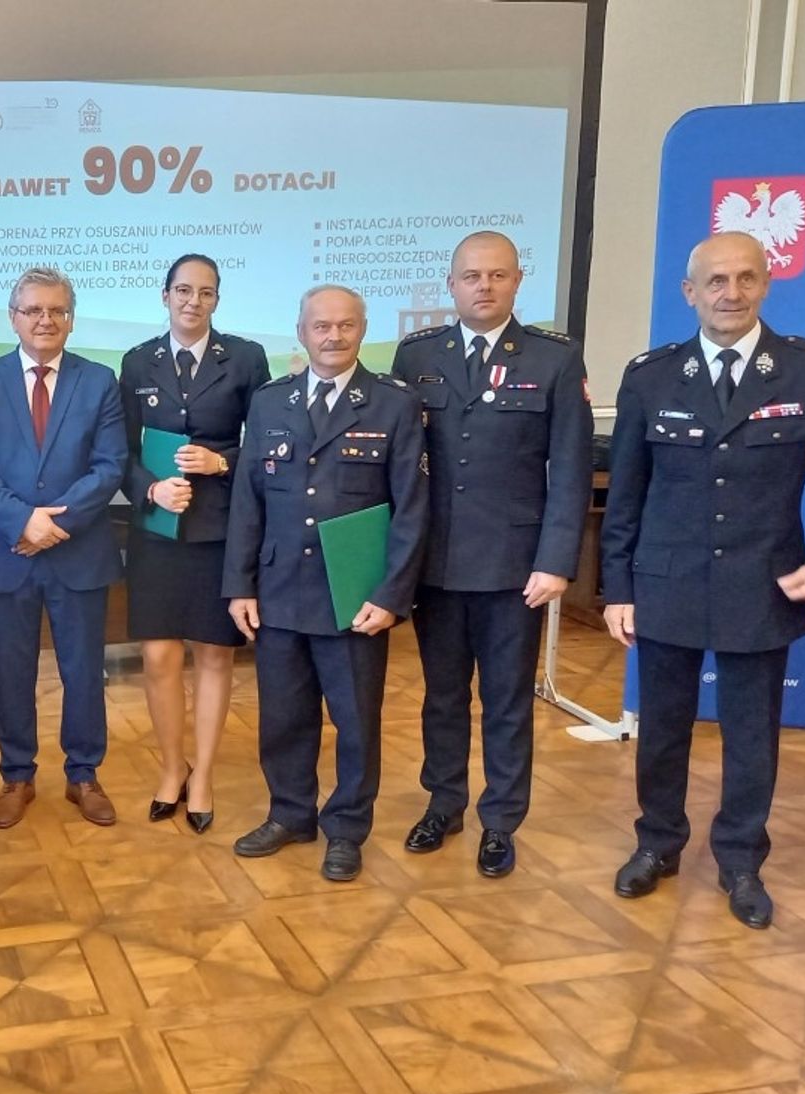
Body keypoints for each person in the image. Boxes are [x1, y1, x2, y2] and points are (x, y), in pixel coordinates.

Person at [601, 230, 805, 930]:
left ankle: (741, 860)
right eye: (716, 281)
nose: (731, 293)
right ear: (690, 292)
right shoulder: (651, 376)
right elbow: (625, 495)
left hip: (759, 584)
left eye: (746, 278)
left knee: (750, 735)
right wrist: (617, 588)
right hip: (666, 582)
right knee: (662, 730)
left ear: (766, 284)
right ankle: (657, 844)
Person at [390, 231, 593, 878]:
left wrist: (556, 559)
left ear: (517, 281)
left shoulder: (554, 357)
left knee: (506, 701)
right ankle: (443, 802)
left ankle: (501, 820)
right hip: (437, 562)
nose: (484, 286)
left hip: (515, 566)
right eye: (472, 276)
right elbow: (399, 463)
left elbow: (570, 468)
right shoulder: (418, 354)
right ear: (451, 285)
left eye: (497, 275)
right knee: (442, 696)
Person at [223, 285, 427, 882]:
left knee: (356, 720)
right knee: (283, 716)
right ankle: (290, 814)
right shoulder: (270, 402)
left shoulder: (392, 404)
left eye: (345, 325)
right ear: (302, 332)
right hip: (280, 588)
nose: (333, 336)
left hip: (354, 594)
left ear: (362, 329)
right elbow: (248, 502)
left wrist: (390, 595)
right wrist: (240, 585)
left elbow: (412, 509)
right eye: (321, 326)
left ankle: (346, 829)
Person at [0, 266, 127, 829]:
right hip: (8, 554)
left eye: (57, 311)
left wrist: (55, 524)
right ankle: (16, 775)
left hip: (79, 554)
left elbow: (109, 466)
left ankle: (84, 774)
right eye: (33, 310)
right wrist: (22, 522)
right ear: (13, 319)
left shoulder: (99, 381)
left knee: (84, 671)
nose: (45, 320)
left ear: (71, 320)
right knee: (11, 672)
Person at [119, 254, 269, 833]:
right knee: (159, 656)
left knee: (213, 653)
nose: (193, 301)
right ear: (165, 296)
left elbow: (269, 440)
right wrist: (150, 489)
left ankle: (202, 774)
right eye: (183, 290)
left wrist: (221, 461)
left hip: (219, 529)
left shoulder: (246, 358)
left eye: (205, 292)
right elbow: (120, 451)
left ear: (217, 301)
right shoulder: (138, 361)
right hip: (158, 528)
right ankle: (171, 767)